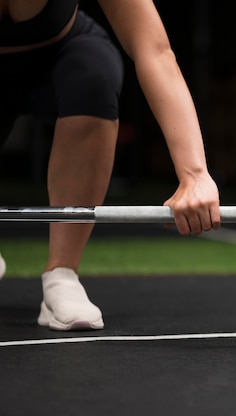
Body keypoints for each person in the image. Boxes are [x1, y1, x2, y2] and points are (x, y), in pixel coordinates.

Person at [0, 0, 221, 330]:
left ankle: (62, 276)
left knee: (94, 70)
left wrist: (195, 174)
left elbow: (154, 50)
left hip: (60, 59)